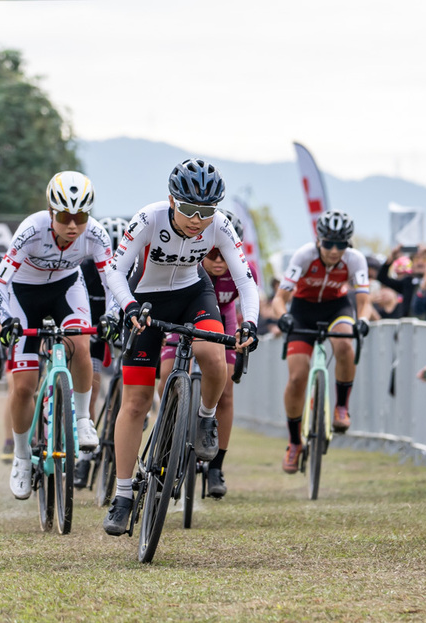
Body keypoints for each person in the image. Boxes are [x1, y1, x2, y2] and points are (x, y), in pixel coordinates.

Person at [101, 158, 259, 536]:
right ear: (172, 200)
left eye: (206, 212)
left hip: (193, 294)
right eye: (188, 210)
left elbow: (246, 277)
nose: (196, 220)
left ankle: (205, 419)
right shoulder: (149, 218)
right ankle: (122, 496)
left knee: (212, 354)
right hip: (146, 299)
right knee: (136, 403)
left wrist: (251, 320)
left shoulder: (218, 225)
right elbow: (114, 270)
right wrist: (128, 306)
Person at [0, 171, 112, 501]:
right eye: (64, 217)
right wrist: (5, 319)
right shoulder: (31, 229)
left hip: (66, 289)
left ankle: (84, 420)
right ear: (50, 211)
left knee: (80, 344)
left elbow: (111, 278)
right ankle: (20, 457)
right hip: (24, 295)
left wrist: (114, 314)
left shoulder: (96, 235)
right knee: (24, 385)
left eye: (81, 217)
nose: (73, 226)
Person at [155, 210, 255, 498]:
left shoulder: (242, 268)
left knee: (225, 391)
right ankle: (166, 447)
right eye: (213, 255)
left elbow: (246, 301)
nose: (220, 262)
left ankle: (215, 467)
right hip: (186, 313)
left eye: (225, 255)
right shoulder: (188, 264)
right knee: (167, 378)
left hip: (223, 318)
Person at [271, 210, 371, 474]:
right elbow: (279, 299)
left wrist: (363, 319)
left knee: (344, 345)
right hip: (302, 312)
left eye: (342, 245)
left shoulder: (355, 259)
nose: (335, 251)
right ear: (319, 240)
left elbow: (363, 300)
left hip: (336, 308)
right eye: (329, 244)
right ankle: (294, 443)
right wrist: (283, 318)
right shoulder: (304, 255)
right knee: (297, 378)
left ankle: (341, 407)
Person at [74, 216, 131, 489]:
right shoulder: (84, 269)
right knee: (92, 387)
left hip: (121, 328)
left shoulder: (136, 269)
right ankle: (84, 459)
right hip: (91, 330)